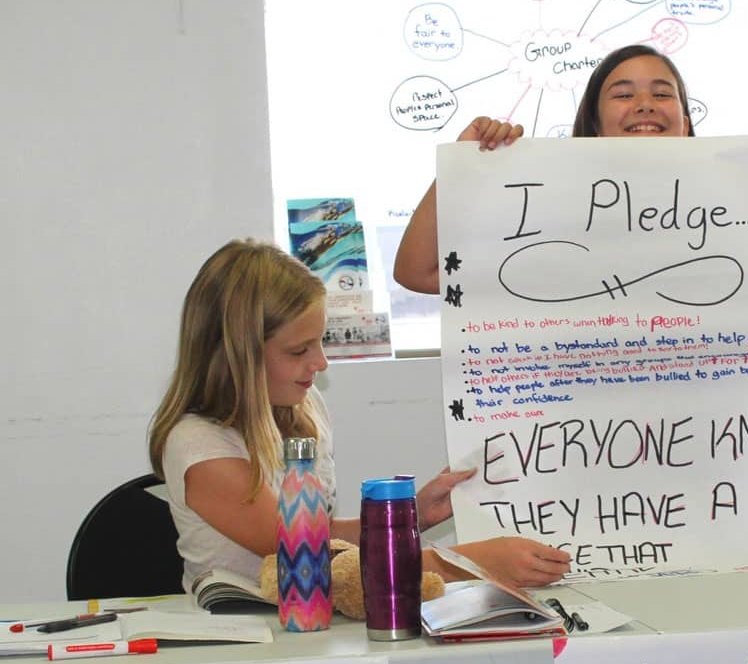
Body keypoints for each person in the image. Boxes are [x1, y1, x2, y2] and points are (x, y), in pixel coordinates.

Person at [148, 239, 571, 594]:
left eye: (320, 342)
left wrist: (408, 516)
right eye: (299, 351)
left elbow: (324, 534)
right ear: (236, 357)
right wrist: (466, 562)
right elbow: (309, 559)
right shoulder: (198, 447)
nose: (320, 363)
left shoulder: (304, 408)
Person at [394, 43, 748, 304]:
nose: (644, 105)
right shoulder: (548, 214)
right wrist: (461, 165)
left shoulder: (736, 211)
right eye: (622, 94)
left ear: (686, 121)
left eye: (662, 93)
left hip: (720, 441)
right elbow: (417, 271)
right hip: (579, 449)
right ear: (594, 123)